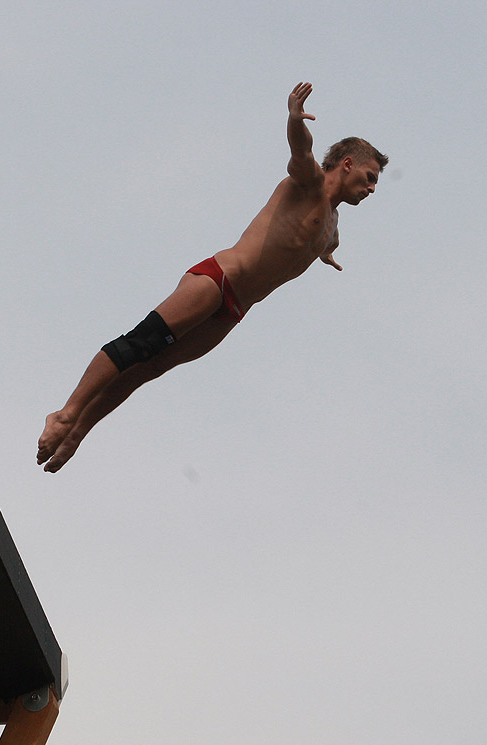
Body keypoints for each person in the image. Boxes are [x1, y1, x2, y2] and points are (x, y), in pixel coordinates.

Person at [37, 82, 387, 472]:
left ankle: (77, 432)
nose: (372, 188)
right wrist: (293, 119)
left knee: (151, 368)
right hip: (219, 280)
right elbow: (301, 151)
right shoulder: (308, 183)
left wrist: (327, 252)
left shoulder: (333, 224)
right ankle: (67, 412)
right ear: (348, 164)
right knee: (141, 344)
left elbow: (319, 239)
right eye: (370, 176)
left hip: (236, 309)